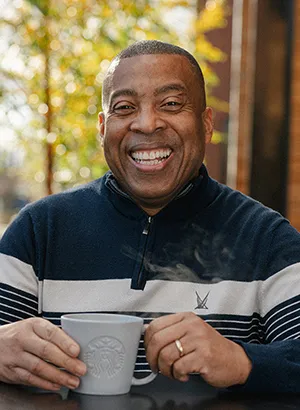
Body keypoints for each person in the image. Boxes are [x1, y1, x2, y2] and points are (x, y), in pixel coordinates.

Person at [0, 40, 300, 394]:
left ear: (206, 124)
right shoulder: (39, 231)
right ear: (102, 128)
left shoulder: (266, 237)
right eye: (125, 107)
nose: (146, 124)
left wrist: (241, 361)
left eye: (171, 104)